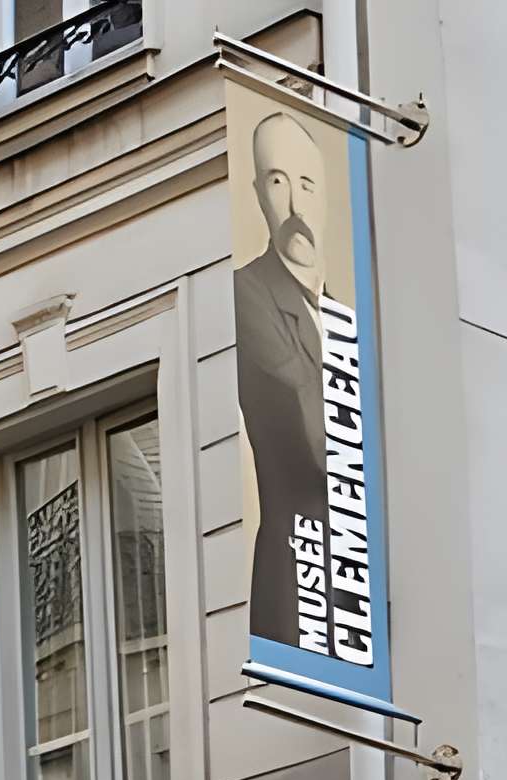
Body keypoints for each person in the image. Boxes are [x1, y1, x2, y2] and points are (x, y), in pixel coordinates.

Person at [234, 108, 329, 649]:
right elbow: (309, 426)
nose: (295, 205)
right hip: (300, 586)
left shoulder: (344, 317)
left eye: (308, 185)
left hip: (359, 591)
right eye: (278, 182)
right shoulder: (247, 293)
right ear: (257, 192)